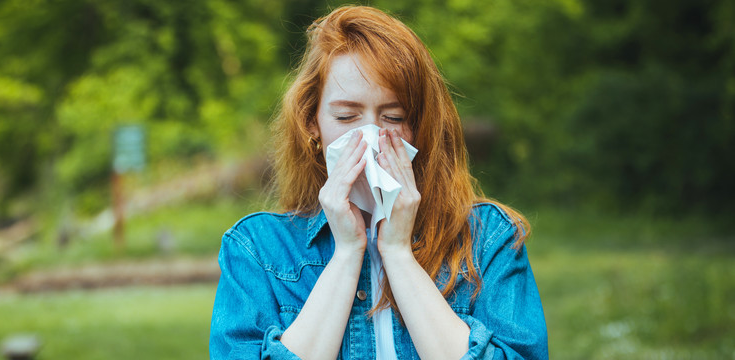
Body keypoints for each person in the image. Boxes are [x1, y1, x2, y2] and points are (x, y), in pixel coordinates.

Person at [209, 5, 547, 359]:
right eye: (346, 116)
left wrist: (399, 254)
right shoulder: (256, 251)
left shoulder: (488, 240)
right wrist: (346, 253)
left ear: (419, 125)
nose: (370, 136)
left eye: (393, 117)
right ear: (313, 123)